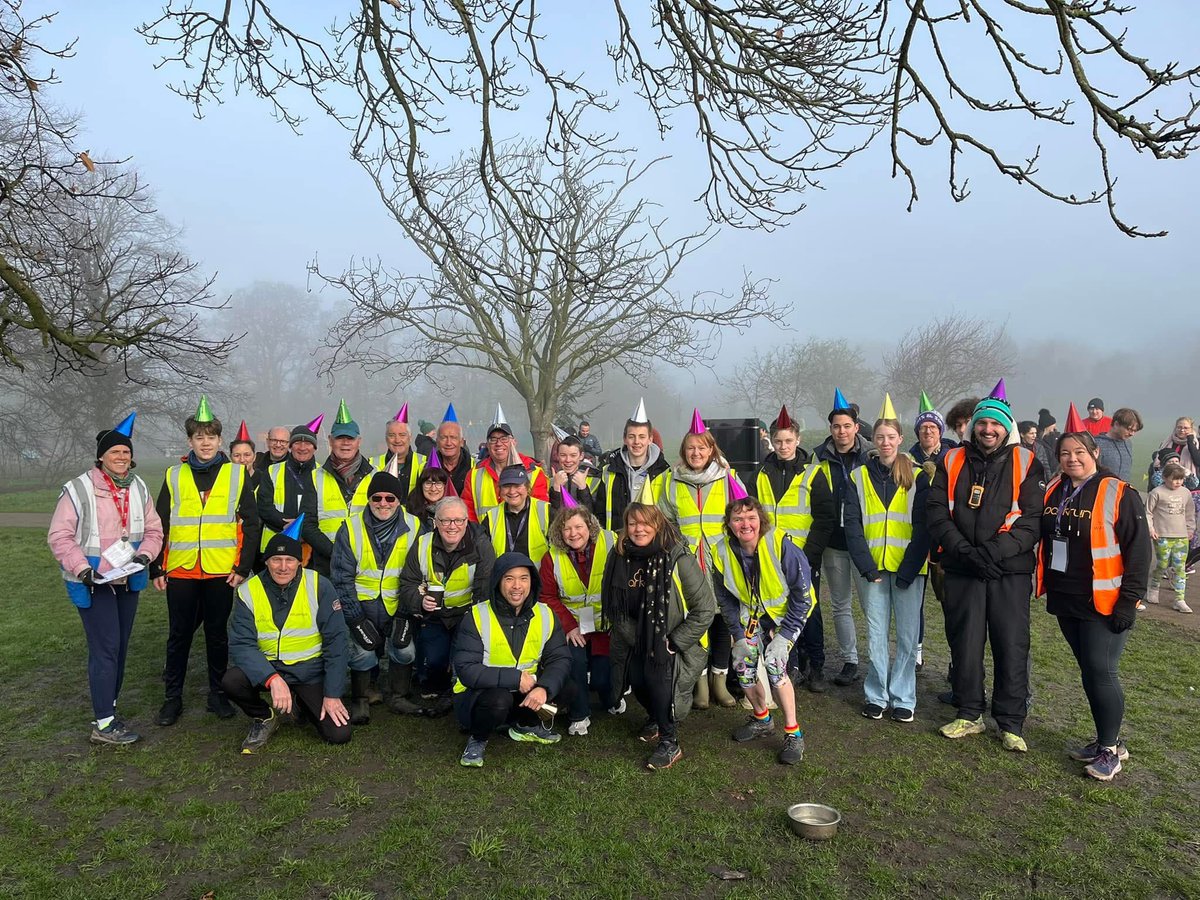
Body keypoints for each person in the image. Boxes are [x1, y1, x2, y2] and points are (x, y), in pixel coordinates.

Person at [926, 380, 1043, 751]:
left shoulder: (1028, 461)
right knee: (965, 642)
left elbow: (1031, 520)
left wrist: (992, 553)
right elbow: (936, 513)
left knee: (1011, 644)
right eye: (982, 423)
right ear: (973, 425)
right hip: (963, 567)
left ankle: (1010, 722)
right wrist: (966, 553)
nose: (988, 430)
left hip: (1009, 569)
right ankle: (969, 712)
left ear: (1006, 427)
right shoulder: (950, 459)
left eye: (995, 424)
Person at [1035, 426, 1150, 781]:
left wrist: (1129, 601)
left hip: (1104, 600)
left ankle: (1109, 751)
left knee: (1102, 672)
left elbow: (1140, 551)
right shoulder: (1056, 489)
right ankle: (1109, 738)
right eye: (1065, 453)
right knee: (1090, 671)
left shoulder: (1119, 492)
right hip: (1066, 596)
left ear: (1095, 453)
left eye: (1079, 452)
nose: (1072, 459)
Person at [48, 413, 164, 745]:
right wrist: (83, 569)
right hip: (92, 579)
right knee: (106, 647)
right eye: (115, 452)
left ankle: (108, 709)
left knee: (121, 646)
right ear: (101, 456)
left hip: (127, 577)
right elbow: (60, 536)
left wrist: (146, 556)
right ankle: (103, 725)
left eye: (126, 452)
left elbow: (154, 529)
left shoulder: (138, 486)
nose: (121, 457)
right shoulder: (78, 488)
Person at [151, 396, 262, 727]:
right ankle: (173, 698)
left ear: (218, 440)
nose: (205, 442)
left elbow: (251, 524)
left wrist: (242, 567)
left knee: (217, 634)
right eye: (199, 437)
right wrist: (156, 565)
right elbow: (161, 523)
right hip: (181, 570)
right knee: (179, 634)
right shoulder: (174, 475)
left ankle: (217, 695)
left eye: (210, 437)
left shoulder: (236, 475)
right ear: (190, 441)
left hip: (220, 570)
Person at [602, 502, 716, 770]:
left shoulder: (678, 559)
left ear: (658, 524)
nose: (638, 529)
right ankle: (655, 717)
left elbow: (705, 609)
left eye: (645, 523)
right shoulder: (618, 555)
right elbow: (614, 605)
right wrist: (638, 639)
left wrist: (673, 642)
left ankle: (669, 740)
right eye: (632, 523)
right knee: (638, 680)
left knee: (657, 677)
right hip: (634, 638)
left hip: (673, 641)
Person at [222, 521, 352, 753]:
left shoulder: (320, 585)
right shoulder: (248, 591)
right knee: (231, 681)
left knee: (339, 734)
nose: (283, 567)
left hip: (309, 671)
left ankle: (300, 701)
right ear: (266, 562)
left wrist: (332, 694)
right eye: (276, 560)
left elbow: (337, 642)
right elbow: (242, 644)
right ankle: (264, 716)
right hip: (270, 667)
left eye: (290, 560)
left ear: (299, 562)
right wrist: (272, 678)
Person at [844, 399, 932, 723]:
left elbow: (925, 527)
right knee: (877, 634)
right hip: (874, 571)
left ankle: (904, 696)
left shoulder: (919, 477)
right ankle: (876, 694)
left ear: (899, 439)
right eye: (879, 437)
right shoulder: (857, 478)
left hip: (909, 569)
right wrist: (866, 567)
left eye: (890, 437)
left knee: (908, 638)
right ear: (874, 440)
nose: (885, 442)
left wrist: (910, 569)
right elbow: (852, 525)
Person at [711, 496, 814, 765]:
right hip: (750, 616)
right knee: (742, 663)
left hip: (785, 617)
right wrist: (736, 634)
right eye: (738, 518)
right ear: (729, 523)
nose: (745, 524)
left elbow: (803, 597)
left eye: (751, 517)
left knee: (775, 664)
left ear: (761, 521)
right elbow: (725, 599)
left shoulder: (781, 545)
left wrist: (785, 636)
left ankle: (793, 732)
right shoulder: (721, 552)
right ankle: (761, 718)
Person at [452, 552, 573, 767]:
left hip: (524, 692)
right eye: (509, 578)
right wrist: (515, 678)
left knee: (567, 688)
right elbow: (466, 669)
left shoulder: (545, 614)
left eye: (523, 578)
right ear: (497, 581)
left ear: (532, 582)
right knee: (499, 701)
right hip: (480, 698)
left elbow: (560, 658)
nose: (517, 586)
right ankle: (478, 738)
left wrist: (544, 688)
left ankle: (525, 725)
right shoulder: (476, 616)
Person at [658, 410, 744, 709]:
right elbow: (664, 521)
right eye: (690, 448)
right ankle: (699, 682)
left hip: (721, 561)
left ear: (711, 450)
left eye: (702, 447)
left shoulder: (727, 478)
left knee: (722, 618)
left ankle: (720, 681)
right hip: (688, 563)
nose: (696, 453)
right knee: (694, 619)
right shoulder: (671, 480)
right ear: (684, 451)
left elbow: (744, 516)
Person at [330, 470, 423, 724]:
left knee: (405, 651)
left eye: (390, 498)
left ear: (399, 501)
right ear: (369, 500)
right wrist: (355, 619)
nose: (383, 503)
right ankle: (361, 698)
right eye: (377, 498)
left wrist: (406, 613)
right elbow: (341, 578)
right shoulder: (350, 528)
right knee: (362, 653)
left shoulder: (415, 527)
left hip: (398, 604)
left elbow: (420, 573)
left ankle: (399, 695)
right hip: (362, 604)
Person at [753, 404, 831, 693]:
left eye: (788, 441)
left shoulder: (813, 473)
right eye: (778, 441)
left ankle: (817, 666)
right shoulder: (761, 473)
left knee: (809, 609)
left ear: (798, 440)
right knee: (778, 609)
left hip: (804, 556)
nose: (783, 446)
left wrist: (809, 556)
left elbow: (825, 518)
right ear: (771, 442)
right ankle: (790, 664)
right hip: (771, 556)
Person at [398, 497, 496, 713]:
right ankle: (439, 686)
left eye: (459, 521)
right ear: (435, 522)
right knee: (435, 661)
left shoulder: (481, 546)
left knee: (465, 658)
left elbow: (485, 589)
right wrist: (419, 601)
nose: (453, 526)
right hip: (434, 616)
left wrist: (475, 624)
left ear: (467, 521)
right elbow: (408, 582)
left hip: (467, 614)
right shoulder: (422, 544)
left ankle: (457, 693)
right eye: (446, 521)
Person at [810, 389, 872, 687]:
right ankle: (850, 660)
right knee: (840, 604)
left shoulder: (870, 454)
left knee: (871, 604)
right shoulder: (818, 456)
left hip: (864, 542)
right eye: (836, 426)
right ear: (830, 429)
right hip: (833, 542)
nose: (842, 431)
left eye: (847, 426)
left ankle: (877, 659)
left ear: (856, 428)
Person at [539, 505, 618, 736]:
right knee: (575, 664)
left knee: (604, 677)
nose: (573, 534)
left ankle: (610, 699)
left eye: (578, 527)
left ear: (590, 527)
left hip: (605, 625)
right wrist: (568, 626)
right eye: (566, 529)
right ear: (559, 533)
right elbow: (547, 596)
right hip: (572, 625)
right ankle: (579, 715)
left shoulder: (611, 544)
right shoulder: (551, 557)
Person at [300, 400, 375, 576]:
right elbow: (308, 525)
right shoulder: (315, 477)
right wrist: (336, 553)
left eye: (350, 438)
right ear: (331, 440)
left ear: (359, 441)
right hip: (327, 564)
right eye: (340, 438)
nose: (345, 443)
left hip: (366, 564)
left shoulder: (375, 476)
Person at [910, 392, 954, 673]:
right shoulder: (907, 457)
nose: (928, 431)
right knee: (915, 602)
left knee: (951, 602)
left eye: (933, 427)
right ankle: (917, 651)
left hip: (943, 541)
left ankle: (955, 657)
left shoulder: (953, 457)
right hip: (915, 537)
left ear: (940, 432)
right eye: (923, 427)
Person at [462, 408, 549, 522]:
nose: (498, 444)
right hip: (484, 538)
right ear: (487, 445)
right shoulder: (474, 474)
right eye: (493, 439)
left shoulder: (533, 472)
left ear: (514, 442)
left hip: (525, 537)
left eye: (504, 439)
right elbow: (468, 512)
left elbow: (541, 511)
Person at [596, 400, 669, 532]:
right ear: (624, 439)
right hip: (617, 543)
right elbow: (600, 513)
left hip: (652, 545)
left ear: (650, 439)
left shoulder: (664, 472)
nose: (636, 442)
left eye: (642, 437)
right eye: (631, 436)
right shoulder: (608, 472)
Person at [256, 418, 321, 564]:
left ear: (315, 447)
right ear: (290, 446)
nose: (302, 447)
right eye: (297, 442)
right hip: (275, 544)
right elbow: (264, 506)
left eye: (308, 443)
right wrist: (285, 523)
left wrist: (305, 530)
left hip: (312, 548)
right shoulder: (272, 471)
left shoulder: (322, 473)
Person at [1146, 461, 1196, 613]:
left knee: (1180, 568)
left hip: (1181, 536)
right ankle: (1154, 587)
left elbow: (1189, 513)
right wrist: (1151, 528)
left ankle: (1179, 599)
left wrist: (1190, 529)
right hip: (1162, 535)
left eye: (1180, 479)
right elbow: (1148, 512)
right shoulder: (1157, 492)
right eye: (1174, 479)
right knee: (1162, 564)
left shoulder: (1185, 493)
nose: (1178, 482)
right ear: (1165, 477)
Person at [483, 465, 553, 565]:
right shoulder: (490, 517)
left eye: (517, 486)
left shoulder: (546, 511)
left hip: (538, 577)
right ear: (500, 489)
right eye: (506, 486)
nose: (512, 491)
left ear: (527, 487)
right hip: (503, 578)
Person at [370, 405, 427, 502]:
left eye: (402, 435)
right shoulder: (371, 464)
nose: (397, 440)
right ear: (386, 438)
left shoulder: (425, 462)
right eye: (392, 435)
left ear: (410, 437)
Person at [550, 435, 599, 512]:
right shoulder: (550, 481)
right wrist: (556, 489)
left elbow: (592, 515)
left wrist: (583, 489)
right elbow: (550, 516)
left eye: (573, 455)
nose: (568, 460)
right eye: (563, 455)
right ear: (557, 456)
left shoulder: (595, 481)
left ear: (581, 456)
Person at [434, 404, 475, 496]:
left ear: (461, 442)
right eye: (444, 438)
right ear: (437, 441)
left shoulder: (475, 467)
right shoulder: (426, 467)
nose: (448, 443)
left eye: (453, 438)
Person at [1094, 408, 1143, 481]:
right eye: (1129, 429)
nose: (1132, 434)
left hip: (1123, 490)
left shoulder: (1128, 443)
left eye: (1134, 431)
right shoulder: (1097, 444)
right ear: (1116, 424)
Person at [405, 465, 451, 532]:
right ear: (421, 486)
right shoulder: (408, 510)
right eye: (428, 483)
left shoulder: (452, 510)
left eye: (438, 483)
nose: (433, 489)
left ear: (445, 486)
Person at [1034, 408, 1059, 479]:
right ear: (1048, 426)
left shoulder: (1055, 438)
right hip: (1045, 473)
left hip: (1055, 471)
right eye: (1053, 426)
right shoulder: (1037, 441)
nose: (1055, 428)